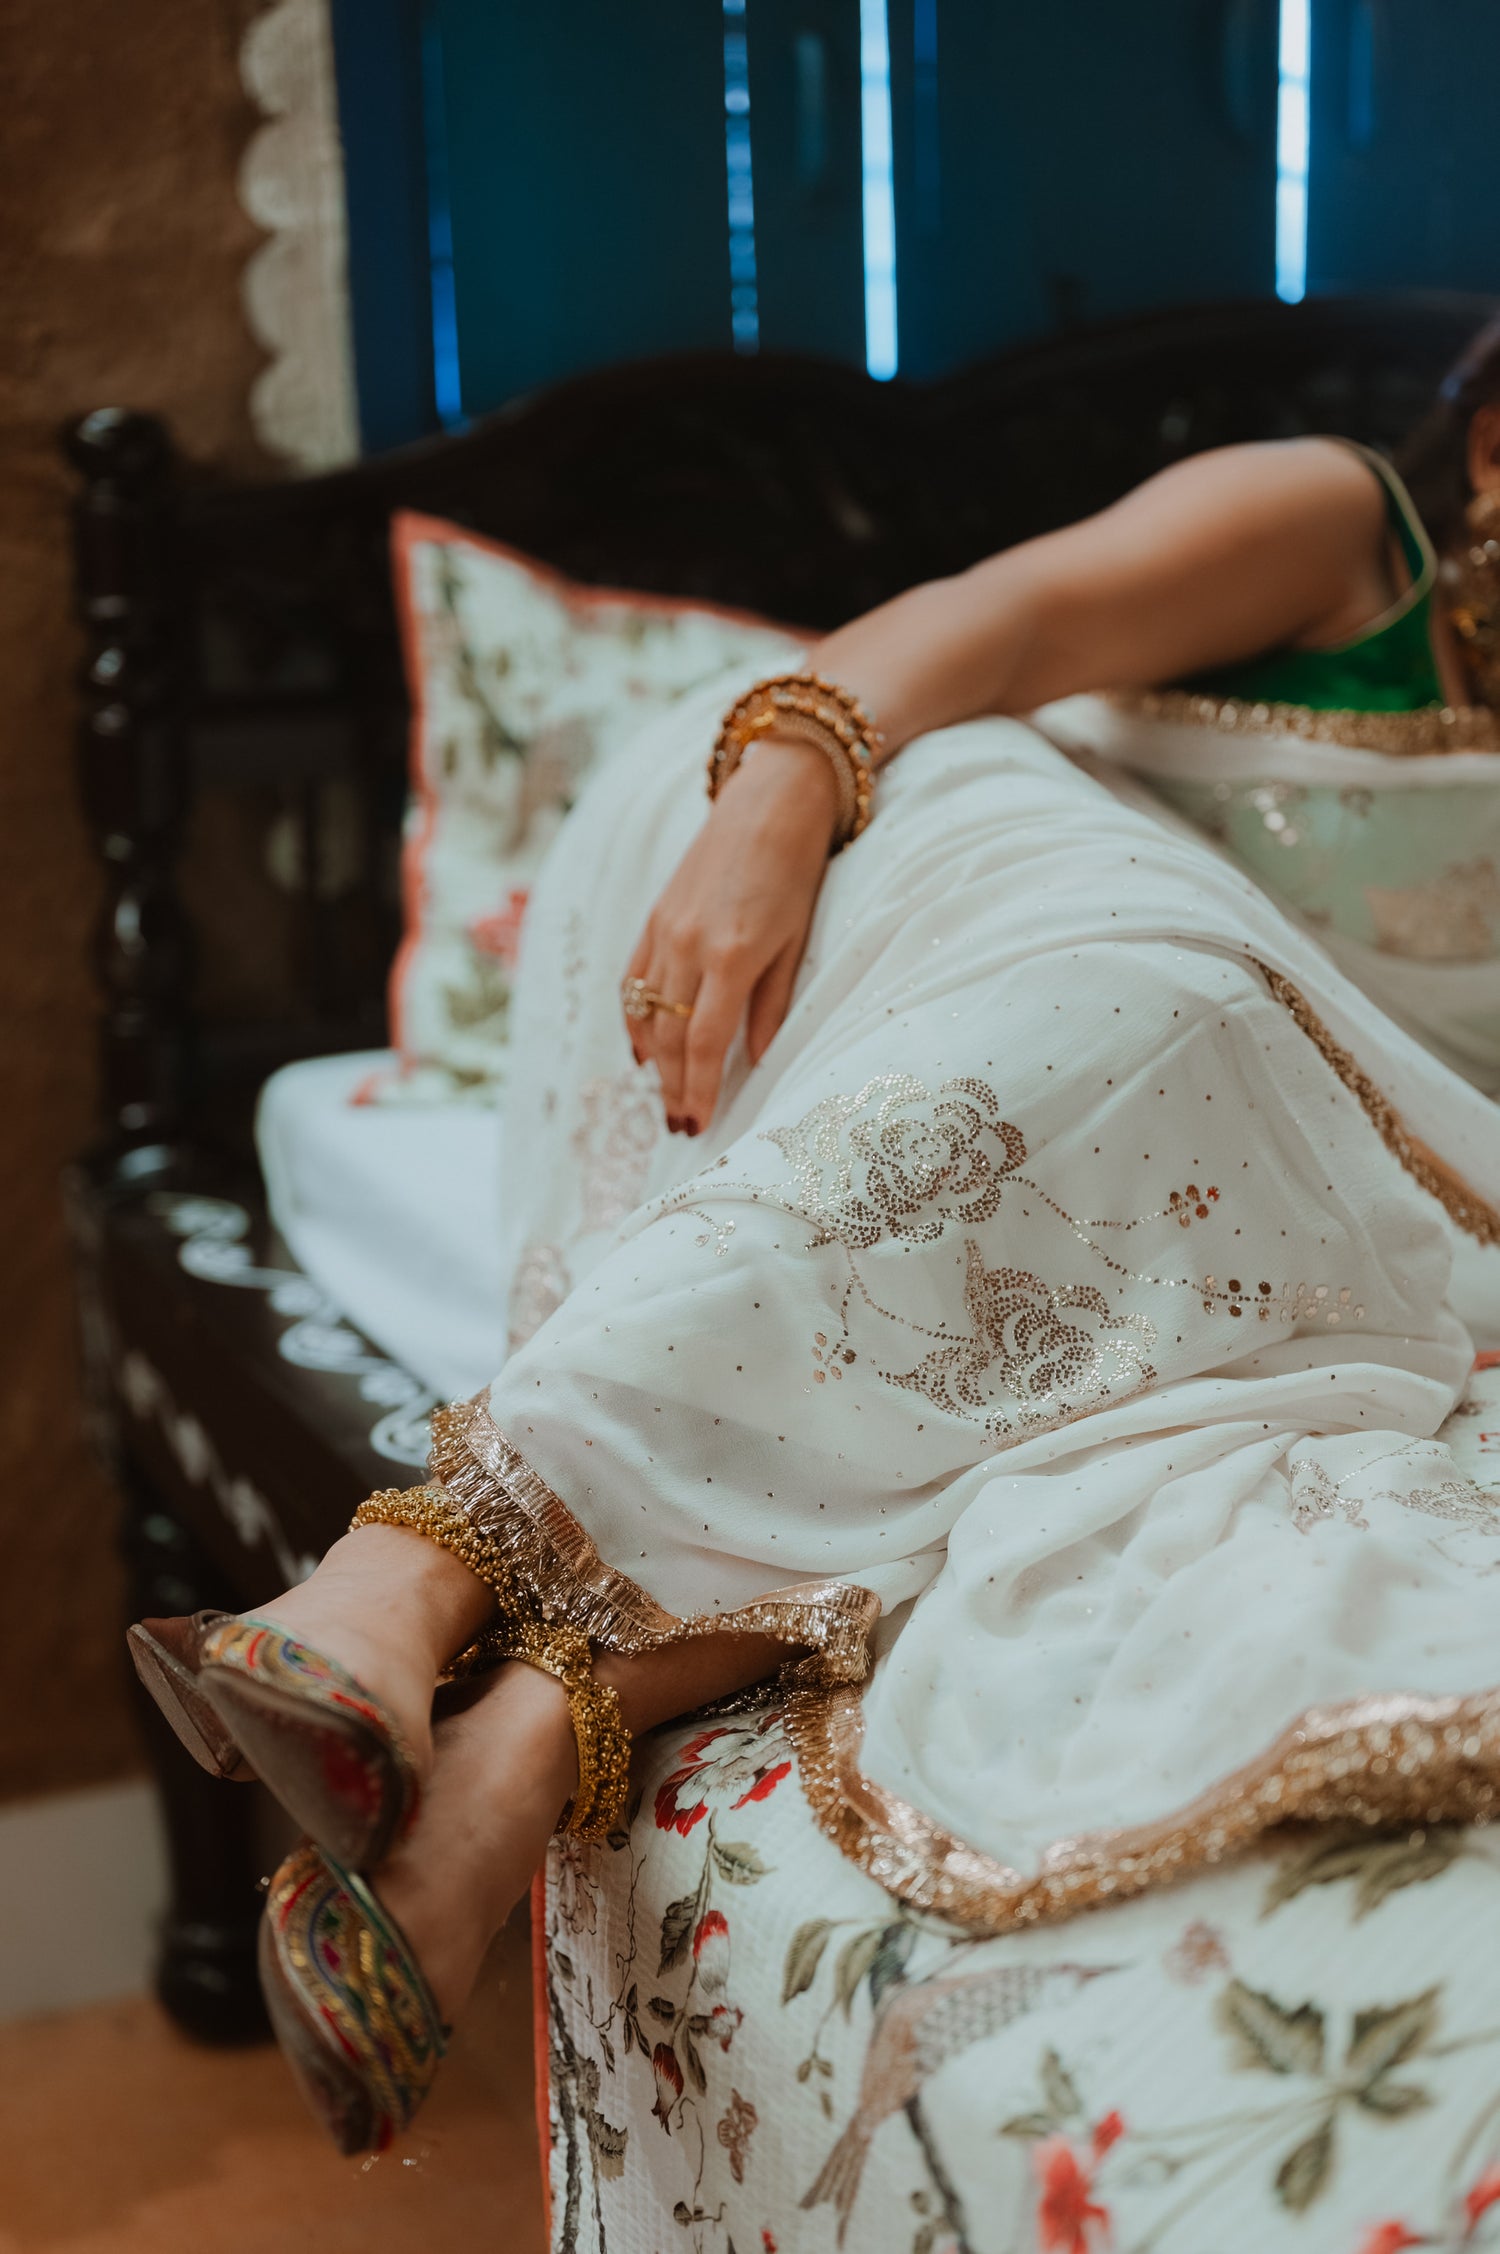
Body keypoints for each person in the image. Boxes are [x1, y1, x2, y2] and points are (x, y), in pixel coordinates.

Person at [131, 320, 1500, 2156]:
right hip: (874, 838)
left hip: (1182, 1161)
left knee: (1143, 1371)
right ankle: (394, 1584)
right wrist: (774, 802)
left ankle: (507, 1765)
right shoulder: (1333, 523)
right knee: (1184, 1012)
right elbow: (989, 628)